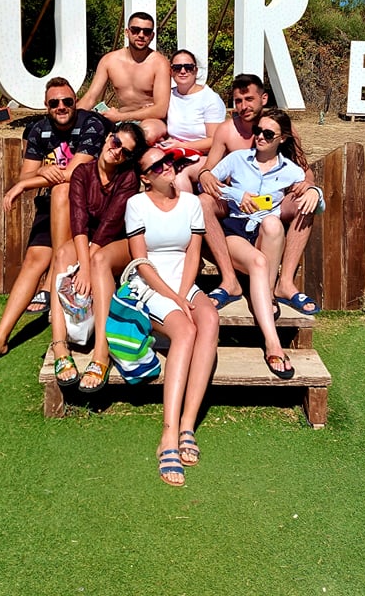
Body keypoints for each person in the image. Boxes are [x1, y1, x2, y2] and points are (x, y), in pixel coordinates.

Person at [0, 77, 106, 370]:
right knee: (32, 259)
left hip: (89, 207)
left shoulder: (92, 125)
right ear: (46, 106)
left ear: (75, 102)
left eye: (67, 101)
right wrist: (40, 172)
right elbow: (25, 174)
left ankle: (53, 278)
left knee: (62, 189)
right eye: (54, 103)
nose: (61, 107)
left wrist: (24, 185)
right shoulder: (39, 129)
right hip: (53, 207)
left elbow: (74, 173)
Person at [202, 109, 325, 379]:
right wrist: (236, 194)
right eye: (258, 131)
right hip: (237, 229)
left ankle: (269, 293)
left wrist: (314, 192)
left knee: (272, 222)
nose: (260, 137)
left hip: (265, 233)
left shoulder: (290, 170)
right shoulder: (237, 159)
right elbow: (207, 182)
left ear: (282, 139)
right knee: (258, 260)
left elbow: (313, 197)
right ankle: (273, 342)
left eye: (268, 134)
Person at [124, 147, 219, 487]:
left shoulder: (192, 203)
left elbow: (193, 253)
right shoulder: (136, 205)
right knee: (185, 331)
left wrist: (185, 292)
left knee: (209, 319)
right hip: (149, 285)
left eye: (168, 161)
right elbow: (141, 262)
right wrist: (175, 298)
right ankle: (168, 434)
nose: (166, 167)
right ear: (145, 178)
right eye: (157, 166)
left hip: (184, 282)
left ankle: (187, 427)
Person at [198, 74, 321, 312]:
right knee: (203, 201)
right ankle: (229, 280)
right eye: (238, 100)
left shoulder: (281, 125)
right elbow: (209, 171)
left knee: (305, 202)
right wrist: (205, 175)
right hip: (235, 206)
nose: (244, 106)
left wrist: (309, 188)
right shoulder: (227, 131)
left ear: (263, 98)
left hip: (271, 206)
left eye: (249, 99)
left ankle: (285, 283)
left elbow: (305, 171)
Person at [48, 123, 147, 392]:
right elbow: (78, 221)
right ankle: (59, 346)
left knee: (100, 260)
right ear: (107, 139)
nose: (117, 151)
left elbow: (111, 225)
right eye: (116, 142)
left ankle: (101, 353)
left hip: (118, 241)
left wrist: (87, 267)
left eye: (126, 152)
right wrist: (82, 265)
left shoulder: (128, 178)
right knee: (62, 254)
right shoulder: (82, 172)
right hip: (89, 240)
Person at [77, 11, 171, 124]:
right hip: (119, 119)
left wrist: (120, 117)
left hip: (148, 120)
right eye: (135, 30)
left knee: (150, 130)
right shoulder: (110, 60)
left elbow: (160, 110)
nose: (141, 35)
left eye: (147, 31)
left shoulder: (160, 63)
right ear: (127, 32)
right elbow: (90, 97)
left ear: (152, 36)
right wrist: (70, 121)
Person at [159, 49, 226, 193]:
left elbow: (215, 141)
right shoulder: (169, 95)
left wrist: (183, 145)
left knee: (178, 176)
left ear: (195, 70)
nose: (183, 71)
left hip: (205, 157)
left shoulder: (210, 99)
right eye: (177, 68)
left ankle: (187, 207)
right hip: (174, 152)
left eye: (188, 67)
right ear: (171, 71)